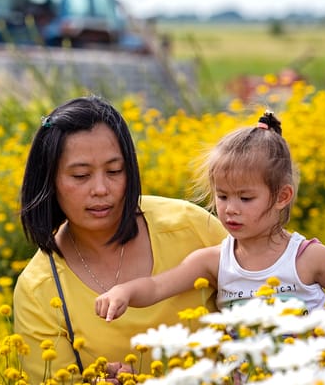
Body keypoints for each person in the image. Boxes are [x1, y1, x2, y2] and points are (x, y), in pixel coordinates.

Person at [13, 96, 228, 382]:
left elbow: (263, 301)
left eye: (114, 171)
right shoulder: (38, 290)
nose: (101, 189)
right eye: (81, 175)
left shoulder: (190, 226)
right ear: (49, 181)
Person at [95, 111, 325, 322]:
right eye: (223, 196)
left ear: (282, 197)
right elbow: (157, 287)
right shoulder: (215, 261)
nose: (230, 209)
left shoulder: (309, 258)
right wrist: (124, 291)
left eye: (245, 198)